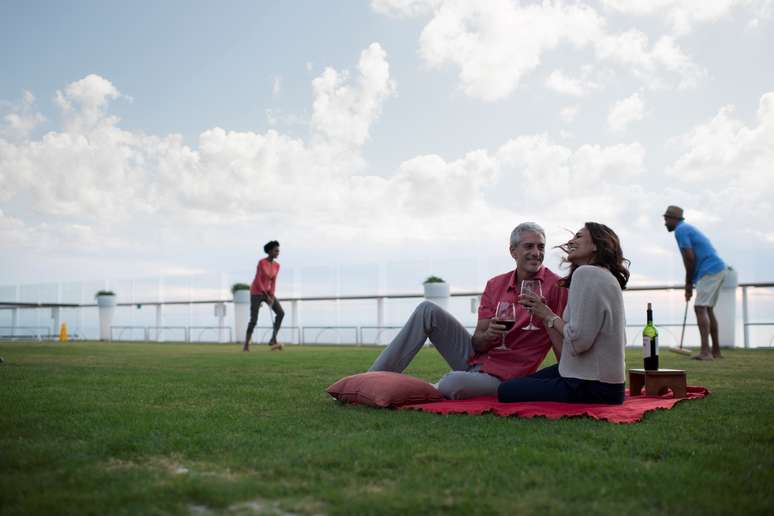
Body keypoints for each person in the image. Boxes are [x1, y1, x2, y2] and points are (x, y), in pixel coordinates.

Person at [368, 222, 568, 400]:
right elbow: (478, 343)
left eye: (540, 247)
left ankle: (414, 391)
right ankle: (370, 381)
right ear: (513, 251)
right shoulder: (495, 284)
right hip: (477, 359)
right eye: (529, 246)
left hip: (507, 376)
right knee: (426, 309)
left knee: (451, 383)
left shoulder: (556, 287)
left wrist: (568, 377)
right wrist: (488, 335)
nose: (536, 252)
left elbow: (561, 338)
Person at [498, 222, 629, 405]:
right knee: (518, 384)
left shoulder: (586, 274)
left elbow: (578, 342)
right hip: (602, 382)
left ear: (596, 245)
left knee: (507, 391)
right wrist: (546, 315)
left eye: (579, 236)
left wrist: (548, 316)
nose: (571, 241)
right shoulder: (603, 275)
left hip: (593, 386)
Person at [663, 205, 728, 360]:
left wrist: (688, 284)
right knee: (708, 309)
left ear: (674, 219)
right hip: (718, 268)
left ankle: (706, 352)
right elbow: (690, 259)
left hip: (709, 270)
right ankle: (715, 352)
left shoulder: (680, 230)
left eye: (666, 219)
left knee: (700, 308)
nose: (665, 223)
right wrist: (690, 283)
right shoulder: (686, 228)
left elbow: (689, 258)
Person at [244, 240, 284, 352]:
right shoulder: (261, 263)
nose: (278, 252)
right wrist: (266, 295)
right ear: (270, 251)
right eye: (276, 250)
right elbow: (258, 280)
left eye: (278, 250)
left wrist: (271, 295)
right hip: (256, 292)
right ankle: (246, 345)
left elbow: (273, 282)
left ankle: (273, 339)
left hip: (268, 292)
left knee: (280, 313)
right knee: (254, 320)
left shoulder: (277, 265)